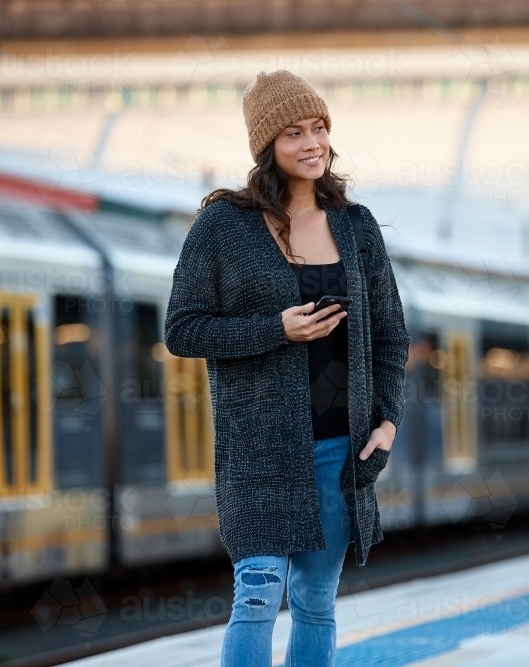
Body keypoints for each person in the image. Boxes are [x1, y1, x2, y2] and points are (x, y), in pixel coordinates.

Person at [164, 69, 411, 667]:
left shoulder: (357, 227)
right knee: (256, 592)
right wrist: (276, 329)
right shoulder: (223, 227)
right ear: (267, 147)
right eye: (294, 132)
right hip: (259, 449)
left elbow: (391, 337)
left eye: (320, 127)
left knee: (316, 599)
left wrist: (389, 421)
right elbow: (182, 330)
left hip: (339, 447)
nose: (312, 143)